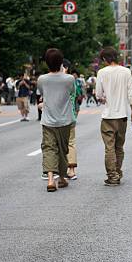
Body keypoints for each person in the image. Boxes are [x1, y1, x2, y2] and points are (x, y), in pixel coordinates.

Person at [96, 47, 132, 186]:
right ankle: (118, 172)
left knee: (109, 147)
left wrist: (104, 99)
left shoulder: (101, 73)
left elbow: (98, 95)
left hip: (108, 116)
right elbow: (131, 95)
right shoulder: (126, 72)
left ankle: (112, 176)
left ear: (104, 59)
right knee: (119, 147)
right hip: (123, 116)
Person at [37, 48, 75, 192]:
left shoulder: (42, 79)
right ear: (61, 62)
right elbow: (71, 92)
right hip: (65, 120)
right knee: (63, 148)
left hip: (48, 120)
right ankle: (62, 178)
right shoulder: (69, 79)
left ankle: (51, 179)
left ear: (47, 63)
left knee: (49, 148)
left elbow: (42, 94)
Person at [62, 59, 80, 180]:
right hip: (70, 115)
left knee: (59, 144)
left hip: (58, 117)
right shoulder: (71, 80)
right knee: (71, 143)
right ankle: (71, 170)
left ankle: (60, 171)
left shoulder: (62, 80)